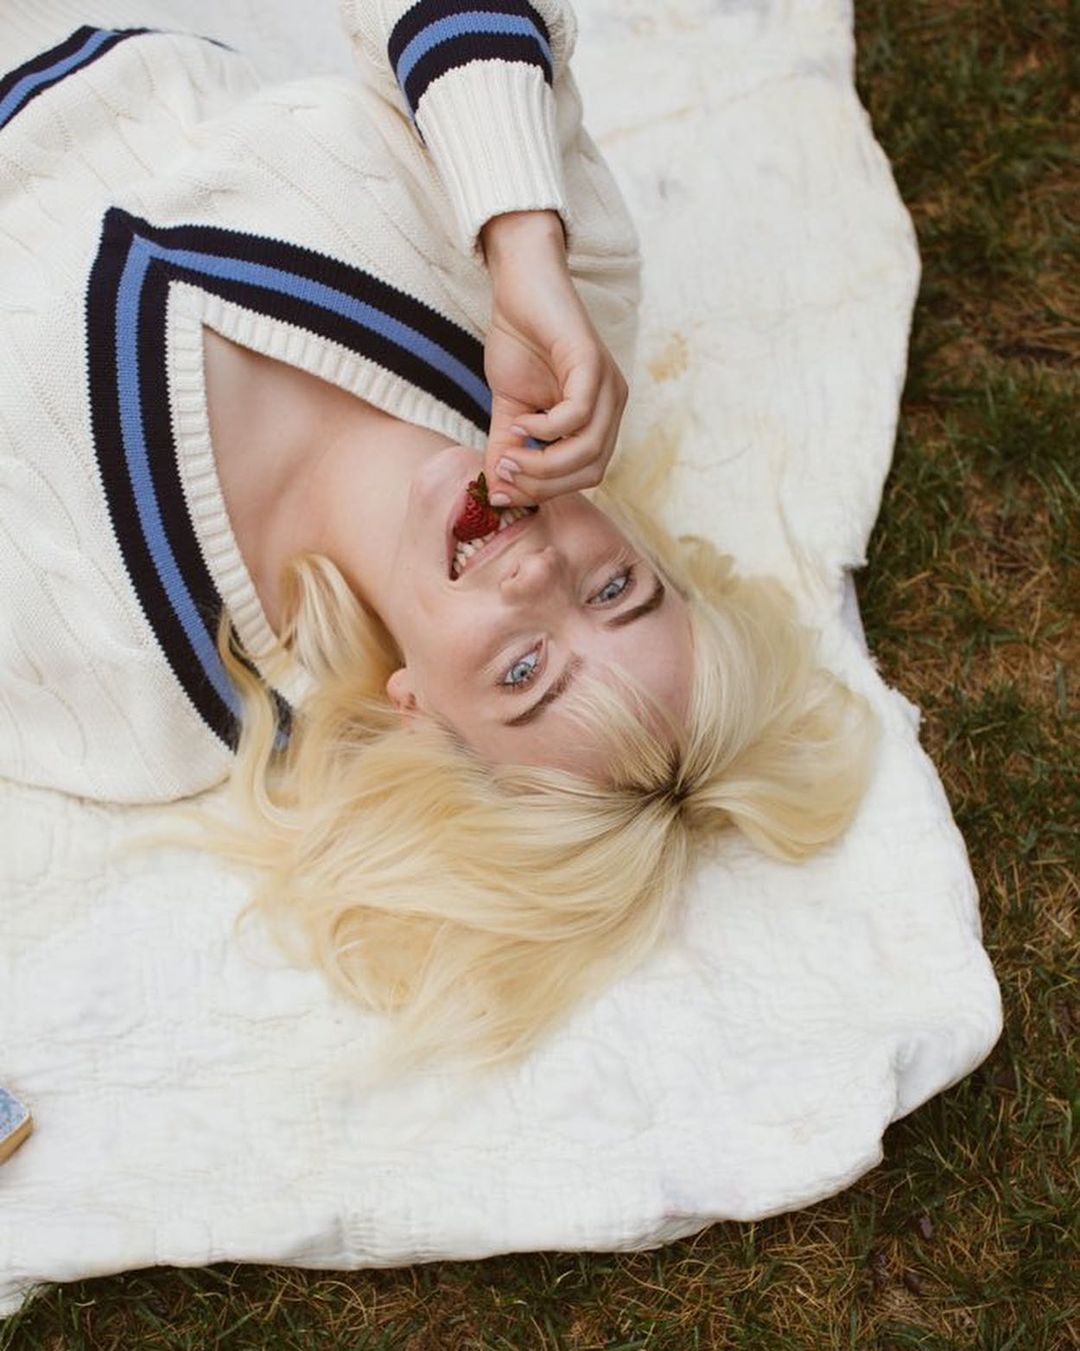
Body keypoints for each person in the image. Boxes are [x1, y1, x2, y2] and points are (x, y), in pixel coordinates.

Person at [0, 0, 879, 1074]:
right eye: (614, 589)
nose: (540, 568)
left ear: (421, 717)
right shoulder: (561, 308)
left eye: (524, 671)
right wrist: (521, 241)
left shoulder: (135, 684)